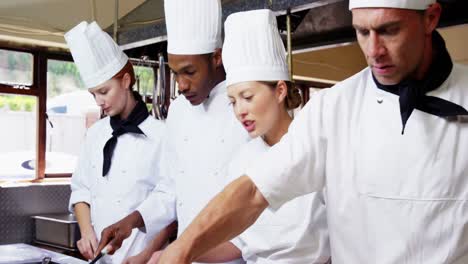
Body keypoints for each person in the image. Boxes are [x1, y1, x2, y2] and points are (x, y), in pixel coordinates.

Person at [158, 1, 468, 263]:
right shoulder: (334, 107)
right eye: (361, 31)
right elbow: (253, 192)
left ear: (430, 18)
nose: (374, 50)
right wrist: (180, 249)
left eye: (389, 30)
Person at [94, 1, 249, 263]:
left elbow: (251, 202)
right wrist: (130, 222)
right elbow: (170, 187)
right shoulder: (178, 111)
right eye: (175, 73)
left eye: (190, 72)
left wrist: (177, 251)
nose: (182, 84)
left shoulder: (246, 108)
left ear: (216, 57)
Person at [184, 9, 330, 264]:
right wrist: (179, 251)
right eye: (232, 101)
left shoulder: (314, 148)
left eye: (248, 97)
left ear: (280, 90)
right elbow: (239, 244)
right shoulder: (242, 160)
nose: (240, 110)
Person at [65, 21, 166, 263]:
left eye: (104, 91)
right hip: (101, 258)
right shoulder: (95, 134)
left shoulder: (162, 135)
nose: (99, 102)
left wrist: (146, 255)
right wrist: (87, 231)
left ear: (126, 80)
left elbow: (169, 207)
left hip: (144, 258)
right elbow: (81, 189)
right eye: (93, 94)